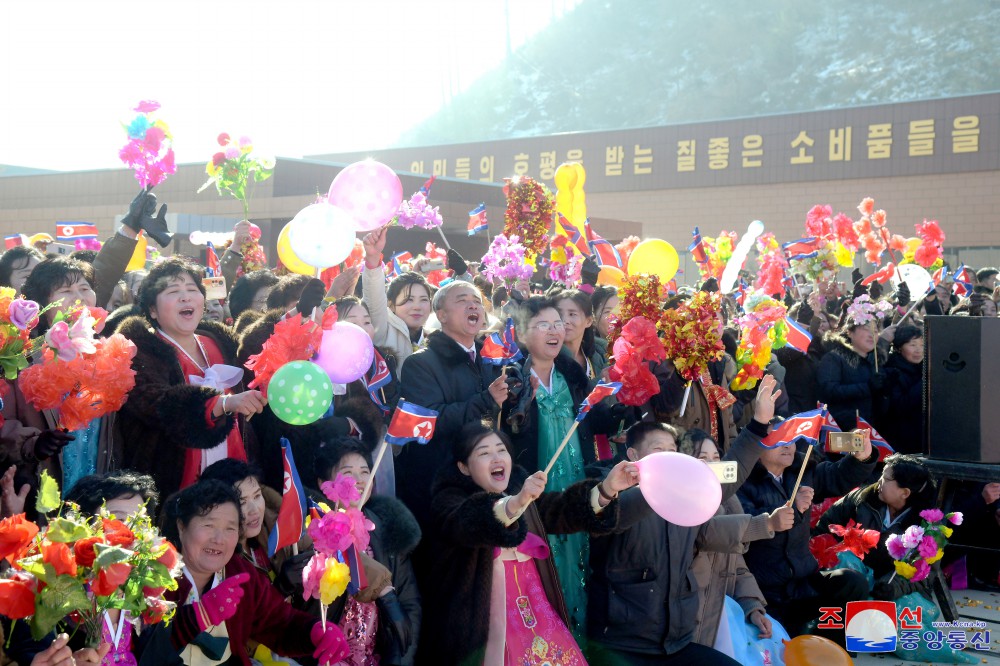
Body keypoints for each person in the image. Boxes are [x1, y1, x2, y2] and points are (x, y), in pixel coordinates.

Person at [586, 375, 784, 666]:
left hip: (676, 643)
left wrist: (757, 426)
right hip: (623, 644)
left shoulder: (683, 491)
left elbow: (727, 478)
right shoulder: (610, 491)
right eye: (658, 451)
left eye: (672, 451)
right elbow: (607, 515)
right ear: (632, 454)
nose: (668, 458)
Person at [421, 420, 637, 663]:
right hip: (479, 628)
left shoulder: (518, 487)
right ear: (463, 467)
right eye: (484, 453)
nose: (496, 458)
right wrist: (515, 503)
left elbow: (561, 511)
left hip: (535, 609)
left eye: (501, 450)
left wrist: (607, 489)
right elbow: (466, 522)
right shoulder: (448, 500)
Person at [503, 296, 629, 634]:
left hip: (575, 481)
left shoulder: (572, 377)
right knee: (543, 569)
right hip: (535, 490)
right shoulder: (511, 382)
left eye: (557, 323)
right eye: (543, 325)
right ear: (522, 335)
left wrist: (620, 406)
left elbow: (595, 420)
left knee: (579, 561)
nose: (554, 331)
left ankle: (578, 641)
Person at [144, 479, 349, 665]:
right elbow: (143, 647)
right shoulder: (155, 575)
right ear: (181, 527)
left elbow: (278, 621)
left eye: (230, 528)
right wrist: (197, 617)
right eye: (208, 525)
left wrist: (313, 632)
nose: (219, 539)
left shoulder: (239, 574)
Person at [115, 257, 266, 502]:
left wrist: (293, 317)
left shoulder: (217, 340)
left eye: (192, 290)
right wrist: (224, 404)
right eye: (173, 291)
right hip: (177, 479)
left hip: (234, 466)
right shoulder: (140, 348)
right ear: (152, 309)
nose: (185, 297)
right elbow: (156, 402)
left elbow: (256, 358)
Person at [4, 471, 160, 666]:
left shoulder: (144, 590)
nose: (131, 531)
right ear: (83, 525)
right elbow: (29, 651)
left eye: (140, 522)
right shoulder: (54, 587)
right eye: (118, 520)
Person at [737, 424, 878, 636]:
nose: (788, 447)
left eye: (791, 440)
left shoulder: (801, 470)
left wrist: (861, 458)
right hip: (763, 590)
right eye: (779, 441)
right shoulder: (741, 480)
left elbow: (836, 476)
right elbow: (743, 522)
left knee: (852, 582)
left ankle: (831, 650)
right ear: (756, 447)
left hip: (803, 583)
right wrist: (792, 508)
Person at [3, 257, 119, 493]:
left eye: (85, 288)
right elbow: (4, 425)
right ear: (42, 303)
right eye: (65, 290)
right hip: (42, 490)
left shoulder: (109, 355)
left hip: (100, 487)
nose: (79, 297)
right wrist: (33, 445)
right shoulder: (20, 360)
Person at [396, 281, 506, 530]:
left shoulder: (492, 357)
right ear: (441, 315)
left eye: (477, 301)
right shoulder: (420, 363)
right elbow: (429, 422)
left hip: (489, 478)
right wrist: (486, 400)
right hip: (444, 486)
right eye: (462, 300)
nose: (473, 305)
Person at [313, 439, 421, 665]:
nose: (360, 480)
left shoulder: (386, 530)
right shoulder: (312, 530)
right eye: (348, 472)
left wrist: (400, 656)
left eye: (365, 471)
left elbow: (408, 602)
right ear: (323, 482)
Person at [679, 429, 785, 649]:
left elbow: (736, 565)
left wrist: (752, 606)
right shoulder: (678, 507)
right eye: (702, 459)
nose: (711, 465)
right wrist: (767, 524)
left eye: (716, 458)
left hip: (721, 616)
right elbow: (711, 532)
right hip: (689, 625)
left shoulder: (728, 502)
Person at [815, 454, 939, 601]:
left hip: (889, 588)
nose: (879, 481)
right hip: (852, 578)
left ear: (904, 492)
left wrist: (893, 588)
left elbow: (925, 572)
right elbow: (824, 528)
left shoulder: (928, 525)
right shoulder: (861, 500)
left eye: (886, 479)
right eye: (882, 475)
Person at [361, 227, 434, 367]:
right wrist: (373, 257)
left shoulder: (436, 337)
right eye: (409, 300)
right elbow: (374, 299)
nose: (417, 306)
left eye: (424, 300)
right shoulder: (382, 329)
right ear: (391, 304)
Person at [817, 316, 879, 431]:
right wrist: (867, 388)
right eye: (866, 329)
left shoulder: (877, 361)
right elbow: (829, 390)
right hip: (844, 429)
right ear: (849, 332)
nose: (872, 335)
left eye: (875, 331)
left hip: (871, 430)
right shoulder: (834, 358)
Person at [872, 325, 924, 454]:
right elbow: (899, 405)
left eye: (922, 345)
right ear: (899, 348)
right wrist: (924, 382)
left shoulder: (925, 368)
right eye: (912, 345)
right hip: (901, 440)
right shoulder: (891, 371)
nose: (918, 350)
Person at [552, 289, 607, 384]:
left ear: (589, 321)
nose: (565, 320)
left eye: (572, 314)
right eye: (559, 314)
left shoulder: (601, 356)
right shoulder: (547, 359)